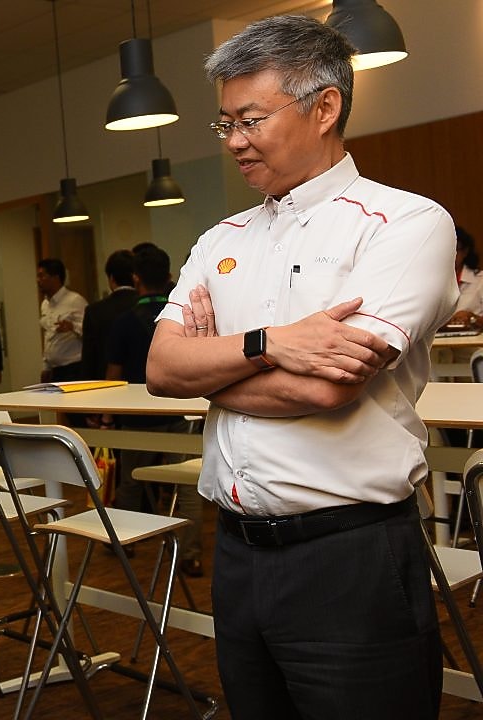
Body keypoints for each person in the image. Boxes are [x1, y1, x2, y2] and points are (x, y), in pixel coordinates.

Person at [146, 16, 456, 719]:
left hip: (350, 558)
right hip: (237, 554)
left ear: (325, 107)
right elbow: (163, 368)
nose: (235, 142)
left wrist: (215, 369)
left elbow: (328, 386)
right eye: (224, 124)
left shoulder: (403, 224)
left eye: (250, 119)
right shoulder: (219, 238)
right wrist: (266, 344)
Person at [103, 247, 205, 577]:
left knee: (131, 483)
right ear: (169, 275)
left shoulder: (124, 321)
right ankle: (190, 554)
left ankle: (125, 541)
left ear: (136, 279)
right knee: (187, 487)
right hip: (181, 411)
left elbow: (114, 374)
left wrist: (107, 416)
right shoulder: (182, 316)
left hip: (137, 417)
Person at [81, 249, 137, 381]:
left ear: (111, 278)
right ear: (135, 276)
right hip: (142, 384)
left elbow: (89, 359)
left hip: (105, 385)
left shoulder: (94, 311)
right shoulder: (143, 307)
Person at [37, 258, 86, 382]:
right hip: (55, 370)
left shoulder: (75, 300)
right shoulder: (45, 304)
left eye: (42, 276)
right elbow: (48, 335)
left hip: (74, 369)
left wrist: (72, 327)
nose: (38, 281)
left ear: (55, 277)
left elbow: (91, 332)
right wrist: (46, 366)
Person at [448, 226, 482, 326]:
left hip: (473, 340)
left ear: (465, 252)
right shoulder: (432, 282)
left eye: (455, 249)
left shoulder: (480, 280)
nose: (451, 255)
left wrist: (473, 318)